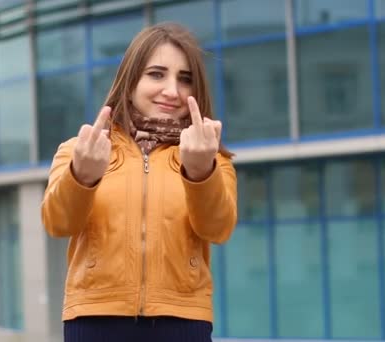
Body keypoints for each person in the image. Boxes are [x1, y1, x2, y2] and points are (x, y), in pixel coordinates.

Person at [41, 22, 238, 342]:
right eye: (156, 74)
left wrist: (201, 173)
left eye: (184, 79)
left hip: (182, 319)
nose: (172, 91)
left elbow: (218, 229)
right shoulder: (81, 149)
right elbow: (58, 223)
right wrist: (83, 176)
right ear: (130, 80)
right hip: (94, 318)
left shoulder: (212, 158)